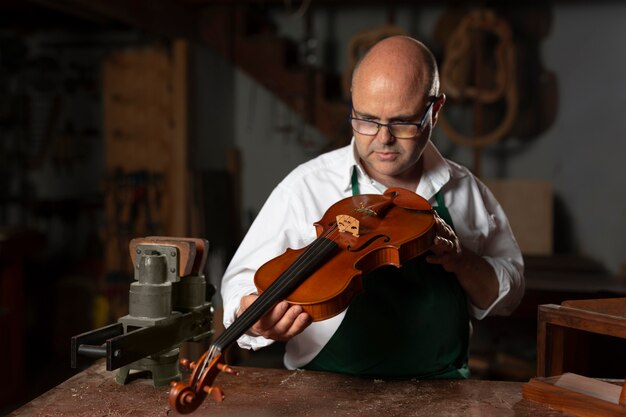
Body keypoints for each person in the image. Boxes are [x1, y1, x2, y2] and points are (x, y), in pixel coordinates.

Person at [220, 35, 524, 379]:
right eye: (366, 119)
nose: (382, 138)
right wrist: (255, 321)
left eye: (402, 122)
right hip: (326, 397)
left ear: (435, 111)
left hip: (445, 397)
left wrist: (461, 260)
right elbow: (239, 286)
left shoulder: (465, 191)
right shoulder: (305, 187)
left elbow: (510, 294)